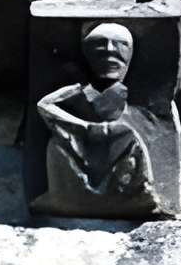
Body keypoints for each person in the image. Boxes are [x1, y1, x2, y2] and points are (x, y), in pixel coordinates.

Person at [35, 21, 155, 213]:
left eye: (120, 45)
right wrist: (80, 125)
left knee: (130, 137)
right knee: (55, 146)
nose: (110, 50)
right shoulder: (79, 90)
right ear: (86, 55)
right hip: (79, 141)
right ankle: (65, 194)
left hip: (115, 143)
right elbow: (44, 105)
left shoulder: (125, 102)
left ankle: (137, 191)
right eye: (100, 44)